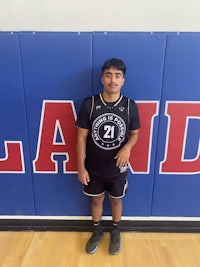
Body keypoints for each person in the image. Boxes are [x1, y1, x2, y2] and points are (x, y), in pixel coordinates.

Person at [76, 58, 140, 255]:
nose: (113, 80)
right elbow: (80, 138)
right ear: (102, 78)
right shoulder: (90, 103)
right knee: (96, 200)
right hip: (94, 167)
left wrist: (127, 147)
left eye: (117, 76)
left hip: (117, 169)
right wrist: (81, 167)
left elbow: (135, 134)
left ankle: (115, 230)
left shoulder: (130, 105)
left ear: (123, 80)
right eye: (109, 75)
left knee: (116, 201)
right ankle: (97, 230)